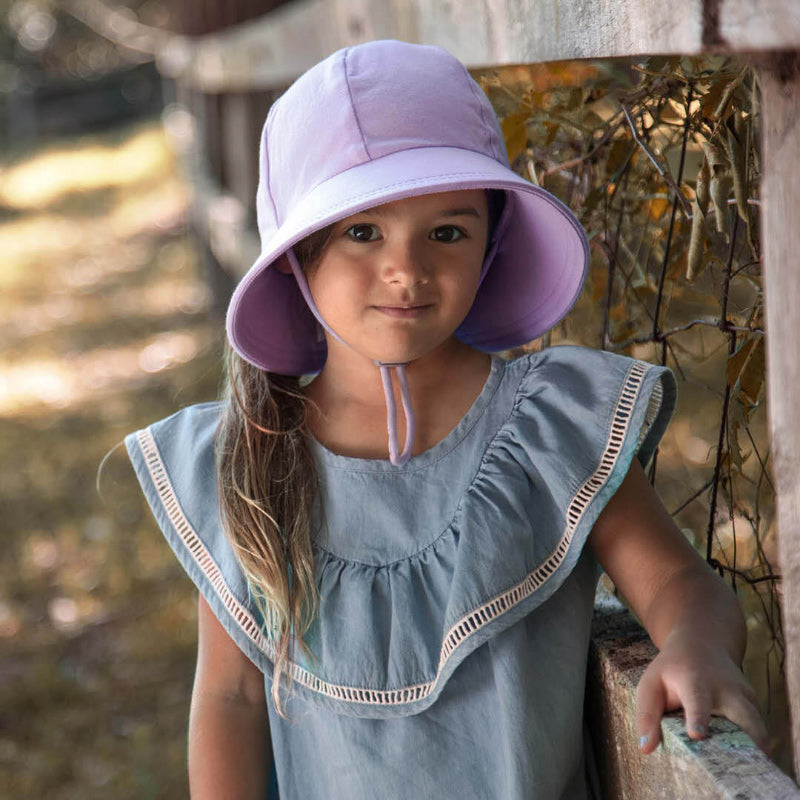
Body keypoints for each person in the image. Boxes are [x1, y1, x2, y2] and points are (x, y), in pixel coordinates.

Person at [125, 39, 768, 800]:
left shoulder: (545, 429)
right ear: (296, 256)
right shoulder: (253, 461)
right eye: (363, 231)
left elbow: (678, 584)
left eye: (448, 231)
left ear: (491, 245)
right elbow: (229, 697)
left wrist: (697, 645)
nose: (408, 269)